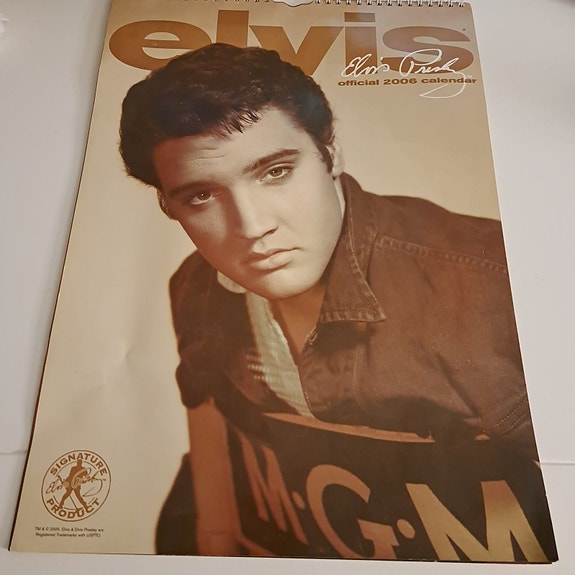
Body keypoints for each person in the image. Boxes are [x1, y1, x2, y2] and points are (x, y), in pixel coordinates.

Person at [119, 43, 539, 557]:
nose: (252, 227)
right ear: (169, 205)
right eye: (201, 196)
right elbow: (216, 507)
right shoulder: (194, 286)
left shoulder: (496, 286)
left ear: (330, 153)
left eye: (275, 172)